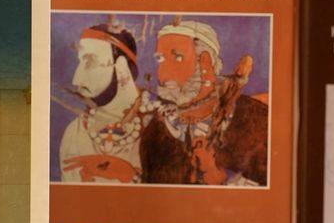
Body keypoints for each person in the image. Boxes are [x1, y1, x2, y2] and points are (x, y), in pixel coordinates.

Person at [140, 20, 268, 185]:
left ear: (205, 62)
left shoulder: (254, 119)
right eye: (161, 59)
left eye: (178, 57)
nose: (163, 74)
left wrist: (219, 175)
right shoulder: (155, 133)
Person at [58, 23, 143, 183]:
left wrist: (129, 174)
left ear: (121, 66)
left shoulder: (157, 129)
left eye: (90, 60)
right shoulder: (74, 133)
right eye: (81, 61)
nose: (76, 79)